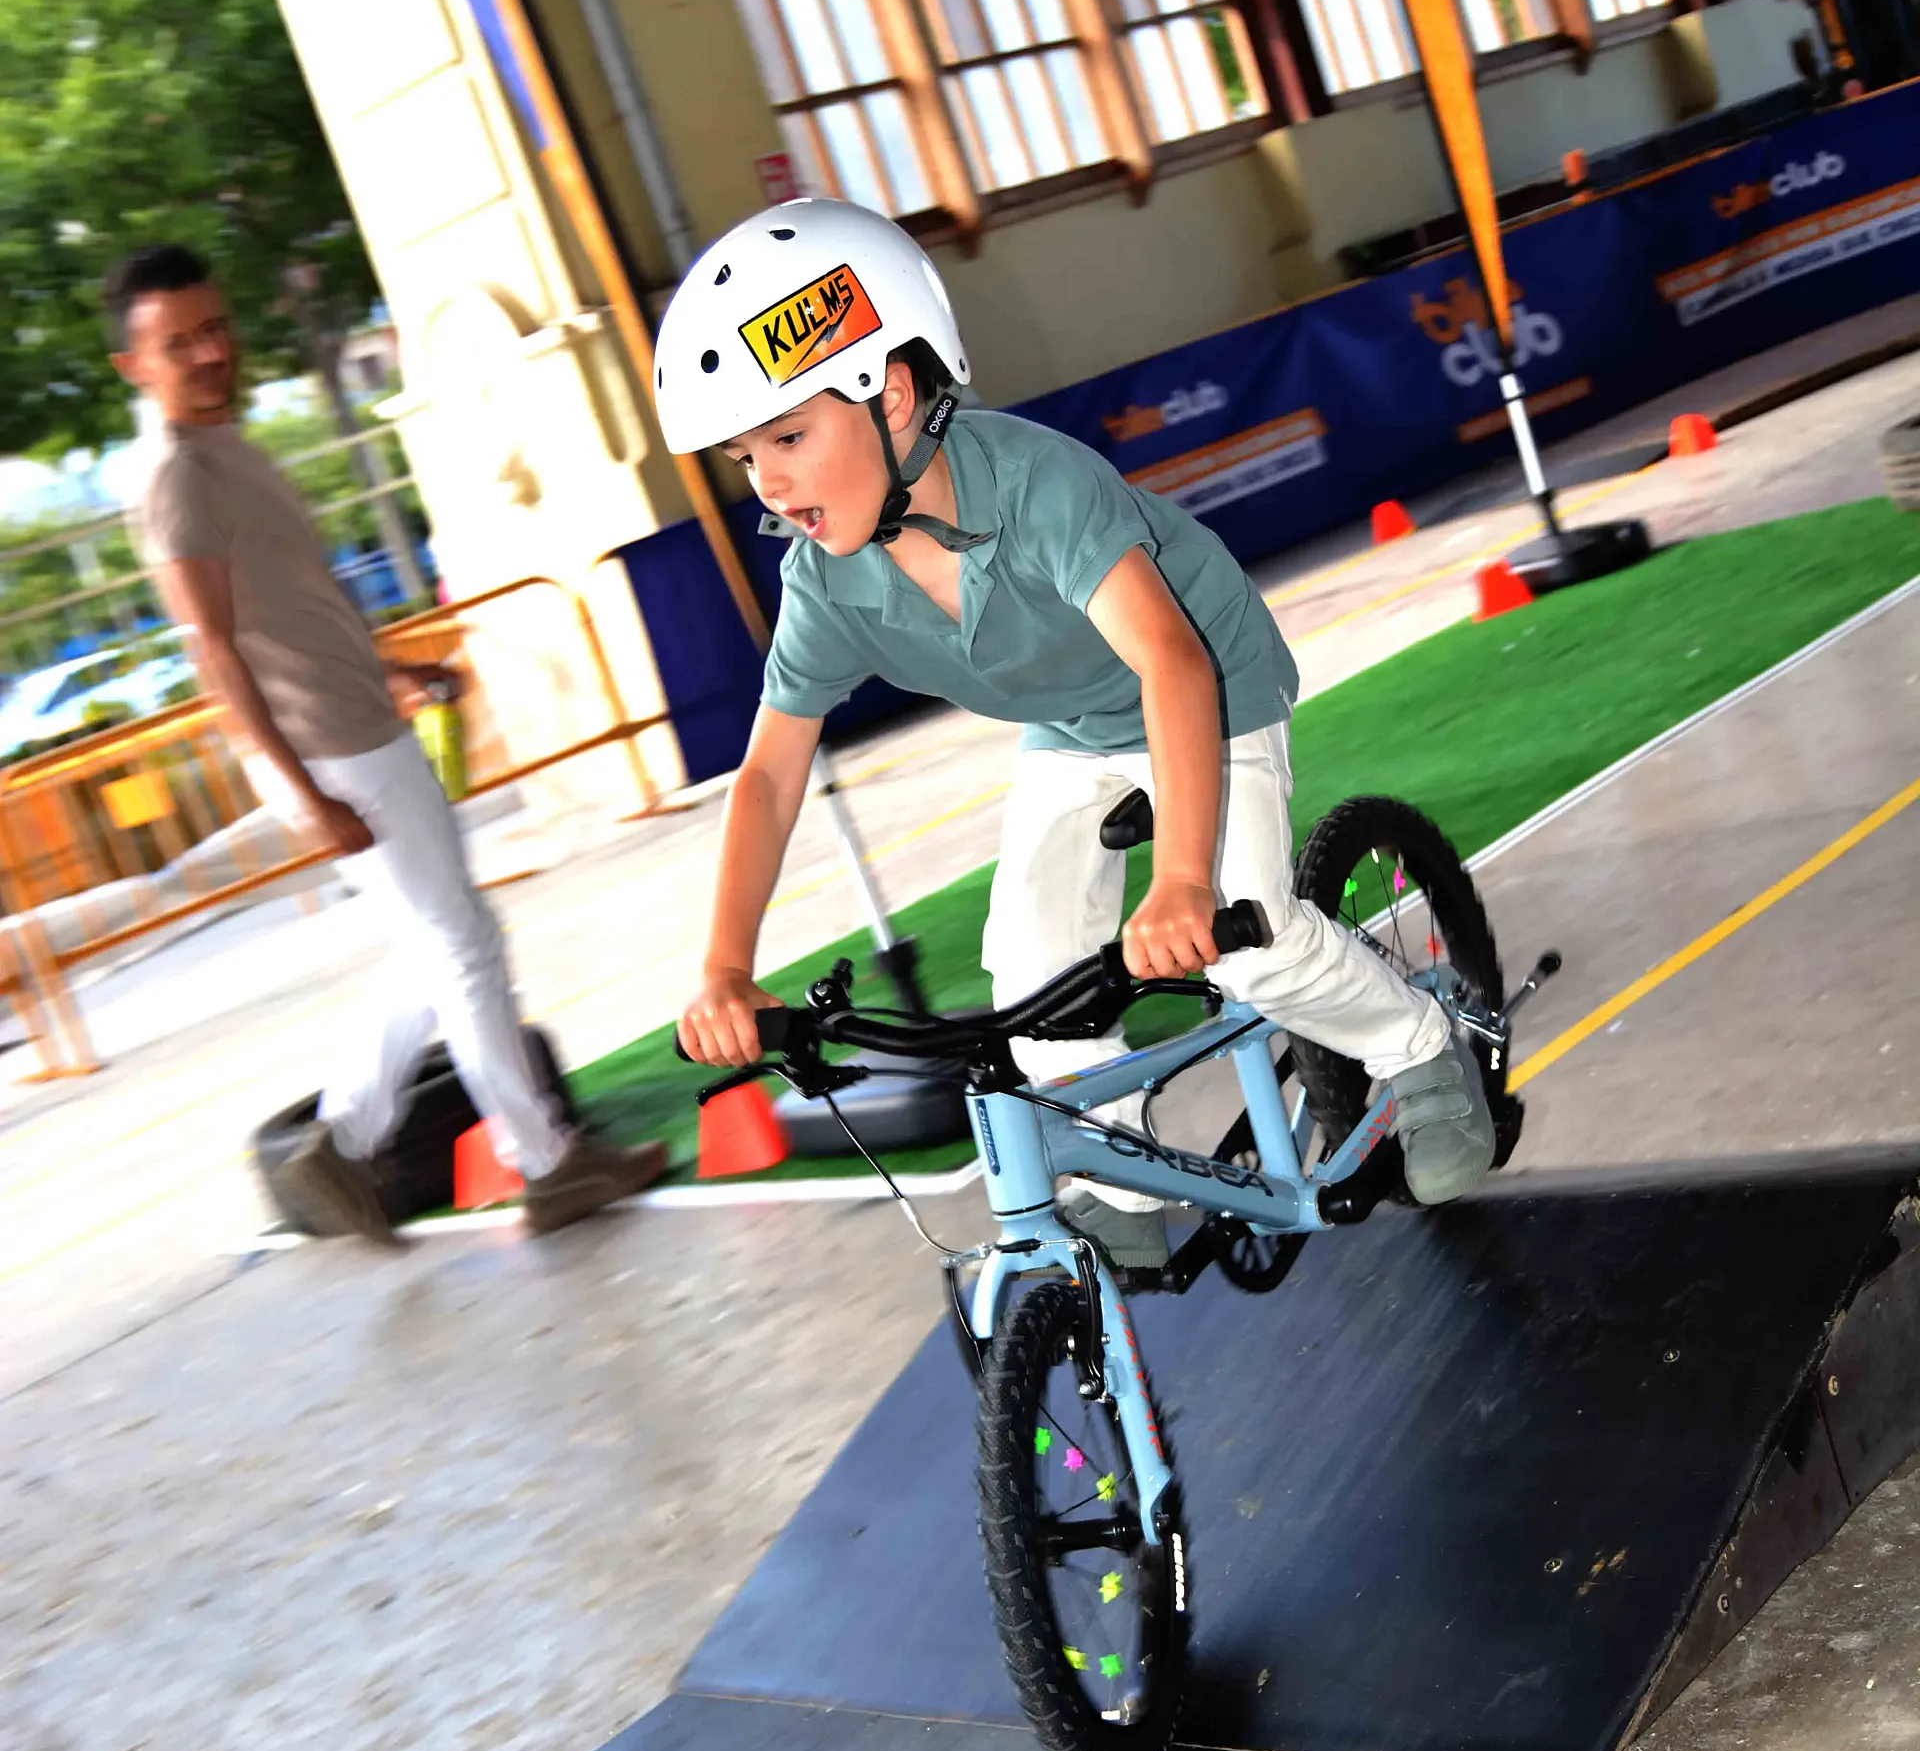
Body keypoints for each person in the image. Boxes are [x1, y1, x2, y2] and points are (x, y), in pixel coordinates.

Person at [666, 199, 1492, 1265]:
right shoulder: (825, 577)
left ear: (895, 396)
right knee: (1031, 976)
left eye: (789, 436)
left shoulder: (1041, 488)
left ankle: (1424, 1051)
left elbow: (1171, 662)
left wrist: (1183, 877)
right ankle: (1123, 1176)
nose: (769, 480)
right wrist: (726, 967)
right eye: (745, 457)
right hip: (1070, 722)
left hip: (1207, 681)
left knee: (1248, 936)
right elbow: (772, 776)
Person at [109, 243, 664, 1243]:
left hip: (355, 720)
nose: (208, 352)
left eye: (215, 327)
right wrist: (297, 785)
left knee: (436, 936)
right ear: (134, 367)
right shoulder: (176, 475)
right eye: (177, 341)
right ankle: (548, 1163)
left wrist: (394, 673)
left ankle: (345, 1141)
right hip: (326, 748)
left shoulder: (231, 448)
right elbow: (215, 649)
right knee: (461, 938)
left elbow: (296, 605)